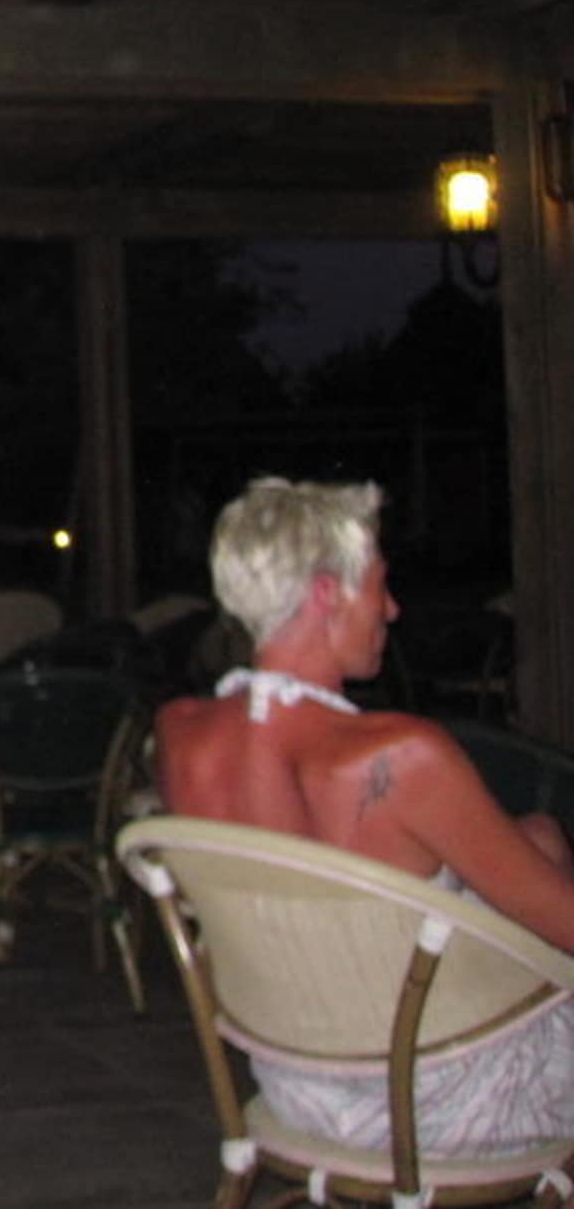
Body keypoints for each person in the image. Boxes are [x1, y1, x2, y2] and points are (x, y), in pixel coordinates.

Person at [156, 476, 574, 1158]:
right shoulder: (403, 757)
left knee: (540, 836)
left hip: (293, 1085)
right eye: (380, 585)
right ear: (328, 593)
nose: (394, 609)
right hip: (436, 1101)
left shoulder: (179, 735)